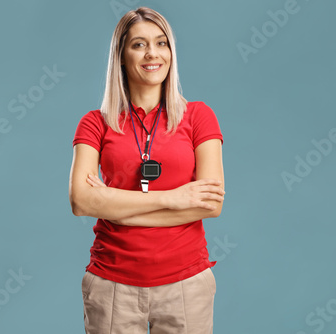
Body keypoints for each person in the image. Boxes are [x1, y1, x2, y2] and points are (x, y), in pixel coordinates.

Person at [69, 6, 225, 334]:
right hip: (112, 285)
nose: (152, 53)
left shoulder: (199, 116)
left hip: (186, 283)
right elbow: (81, 202)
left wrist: (113, 205)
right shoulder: (94, 122)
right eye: (138, 44)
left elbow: (210, 204)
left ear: (171, 52)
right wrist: (177, 198)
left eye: (161, 43)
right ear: (121, 56)